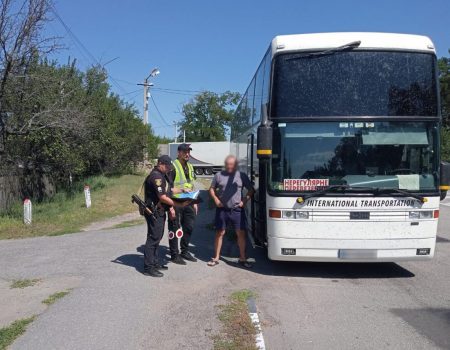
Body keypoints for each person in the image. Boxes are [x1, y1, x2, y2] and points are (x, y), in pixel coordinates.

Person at [143, 155, 189, 277]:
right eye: (167, 166)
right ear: (161, 164)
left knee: (157, 238)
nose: (169, 168)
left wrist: (183, 191)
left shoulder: (162, 175)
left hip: (160, 211)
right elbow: (162, 197)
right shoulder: (156, 176)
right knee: (153, 238)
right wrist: (178, 204)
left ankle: (155, 262)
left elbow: (169, 191)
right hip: (154, 212)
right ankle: (148, 267)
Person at [208, 155, 255, 267]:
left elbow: (251, 190)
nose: (230, 167)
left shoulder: (241, 176)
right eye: (228, 165)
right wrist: (216, 200)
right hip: (222, 209)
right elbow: (211, 189)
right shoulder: (218, 175)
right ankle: (216, 258)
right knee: (220, 233)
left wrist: (244, 201)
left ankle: (243, 258)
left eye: (232, 165)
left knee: (241, 233)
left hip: (237, 210)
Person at [167, 143, 198, 264]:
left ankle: (184, 251)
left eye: (189, 152)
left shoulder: (190, 166)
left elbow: (192, 184)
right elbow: (167, 189)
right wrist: (170, 207)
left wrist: (195, 201)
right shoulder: (172, 166)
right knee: (174, 228)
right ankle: (174, 255)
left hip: (189, 201)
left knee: (189, 227)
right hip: (175, 202)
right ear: (178, 153)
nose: (187, 154)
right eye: (185, 152)